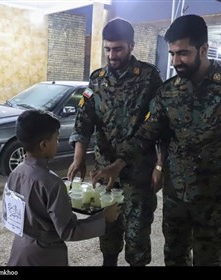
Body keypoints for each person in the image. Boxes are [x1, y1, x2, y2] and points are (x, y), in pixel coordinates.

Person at [92, 14, 221, 266]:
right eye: (172, 53)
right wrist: (117, 165)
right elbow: (147, 132)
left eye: (183, 53)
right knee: (174, 257)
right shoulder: (168, 91)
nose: (175, 61)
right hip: (175, 196)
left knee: (209, 259)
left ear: (203, 49)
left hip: (212, 197)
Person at [67, 18, 164, 266]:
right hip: (104, 170)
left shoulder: (148, 76)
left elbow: (156, 125)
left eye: (118, 48)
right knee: (108, 230)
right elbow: (84, 119)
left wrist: (159, 166)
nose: (112, 55)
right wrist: (78, 158)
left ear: (131, 45)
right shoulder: (96, 79)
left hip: (138, 174)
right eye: (108, 49)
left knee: (137, 234)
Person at [3, 109, 121, 266]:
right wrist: (104, 218)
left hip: (20, 249)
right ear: (44, 145)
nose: (58, 143)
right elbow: (68, 231)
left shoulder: (16, 173)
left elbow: (10, 215)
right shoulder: (51, 183)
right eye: (56, 139)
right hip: (45, 256)